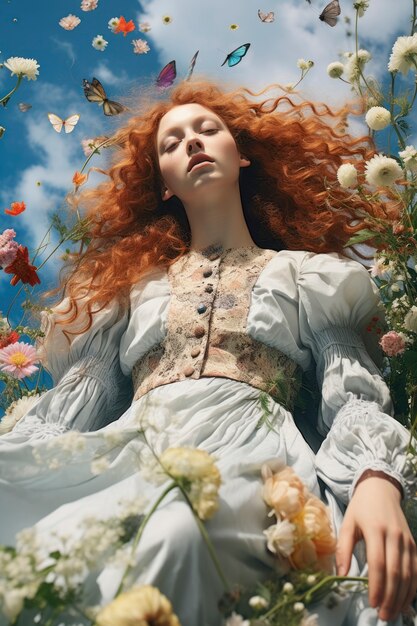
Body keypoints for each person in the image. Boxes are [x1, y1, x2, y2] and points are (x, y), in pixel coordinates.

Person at [0, 78, 416, 626]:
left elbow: (351, 390)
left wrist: (375, 478)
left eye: (206, 130)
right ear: (164, 185)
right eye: (171, 143)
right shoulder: (128, 296)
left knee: (178, 531)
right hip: (136, 449)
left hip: (250, 451)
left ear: (241, 154)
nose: (191, 143)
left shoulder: (306, 277)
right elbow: (73, 411)